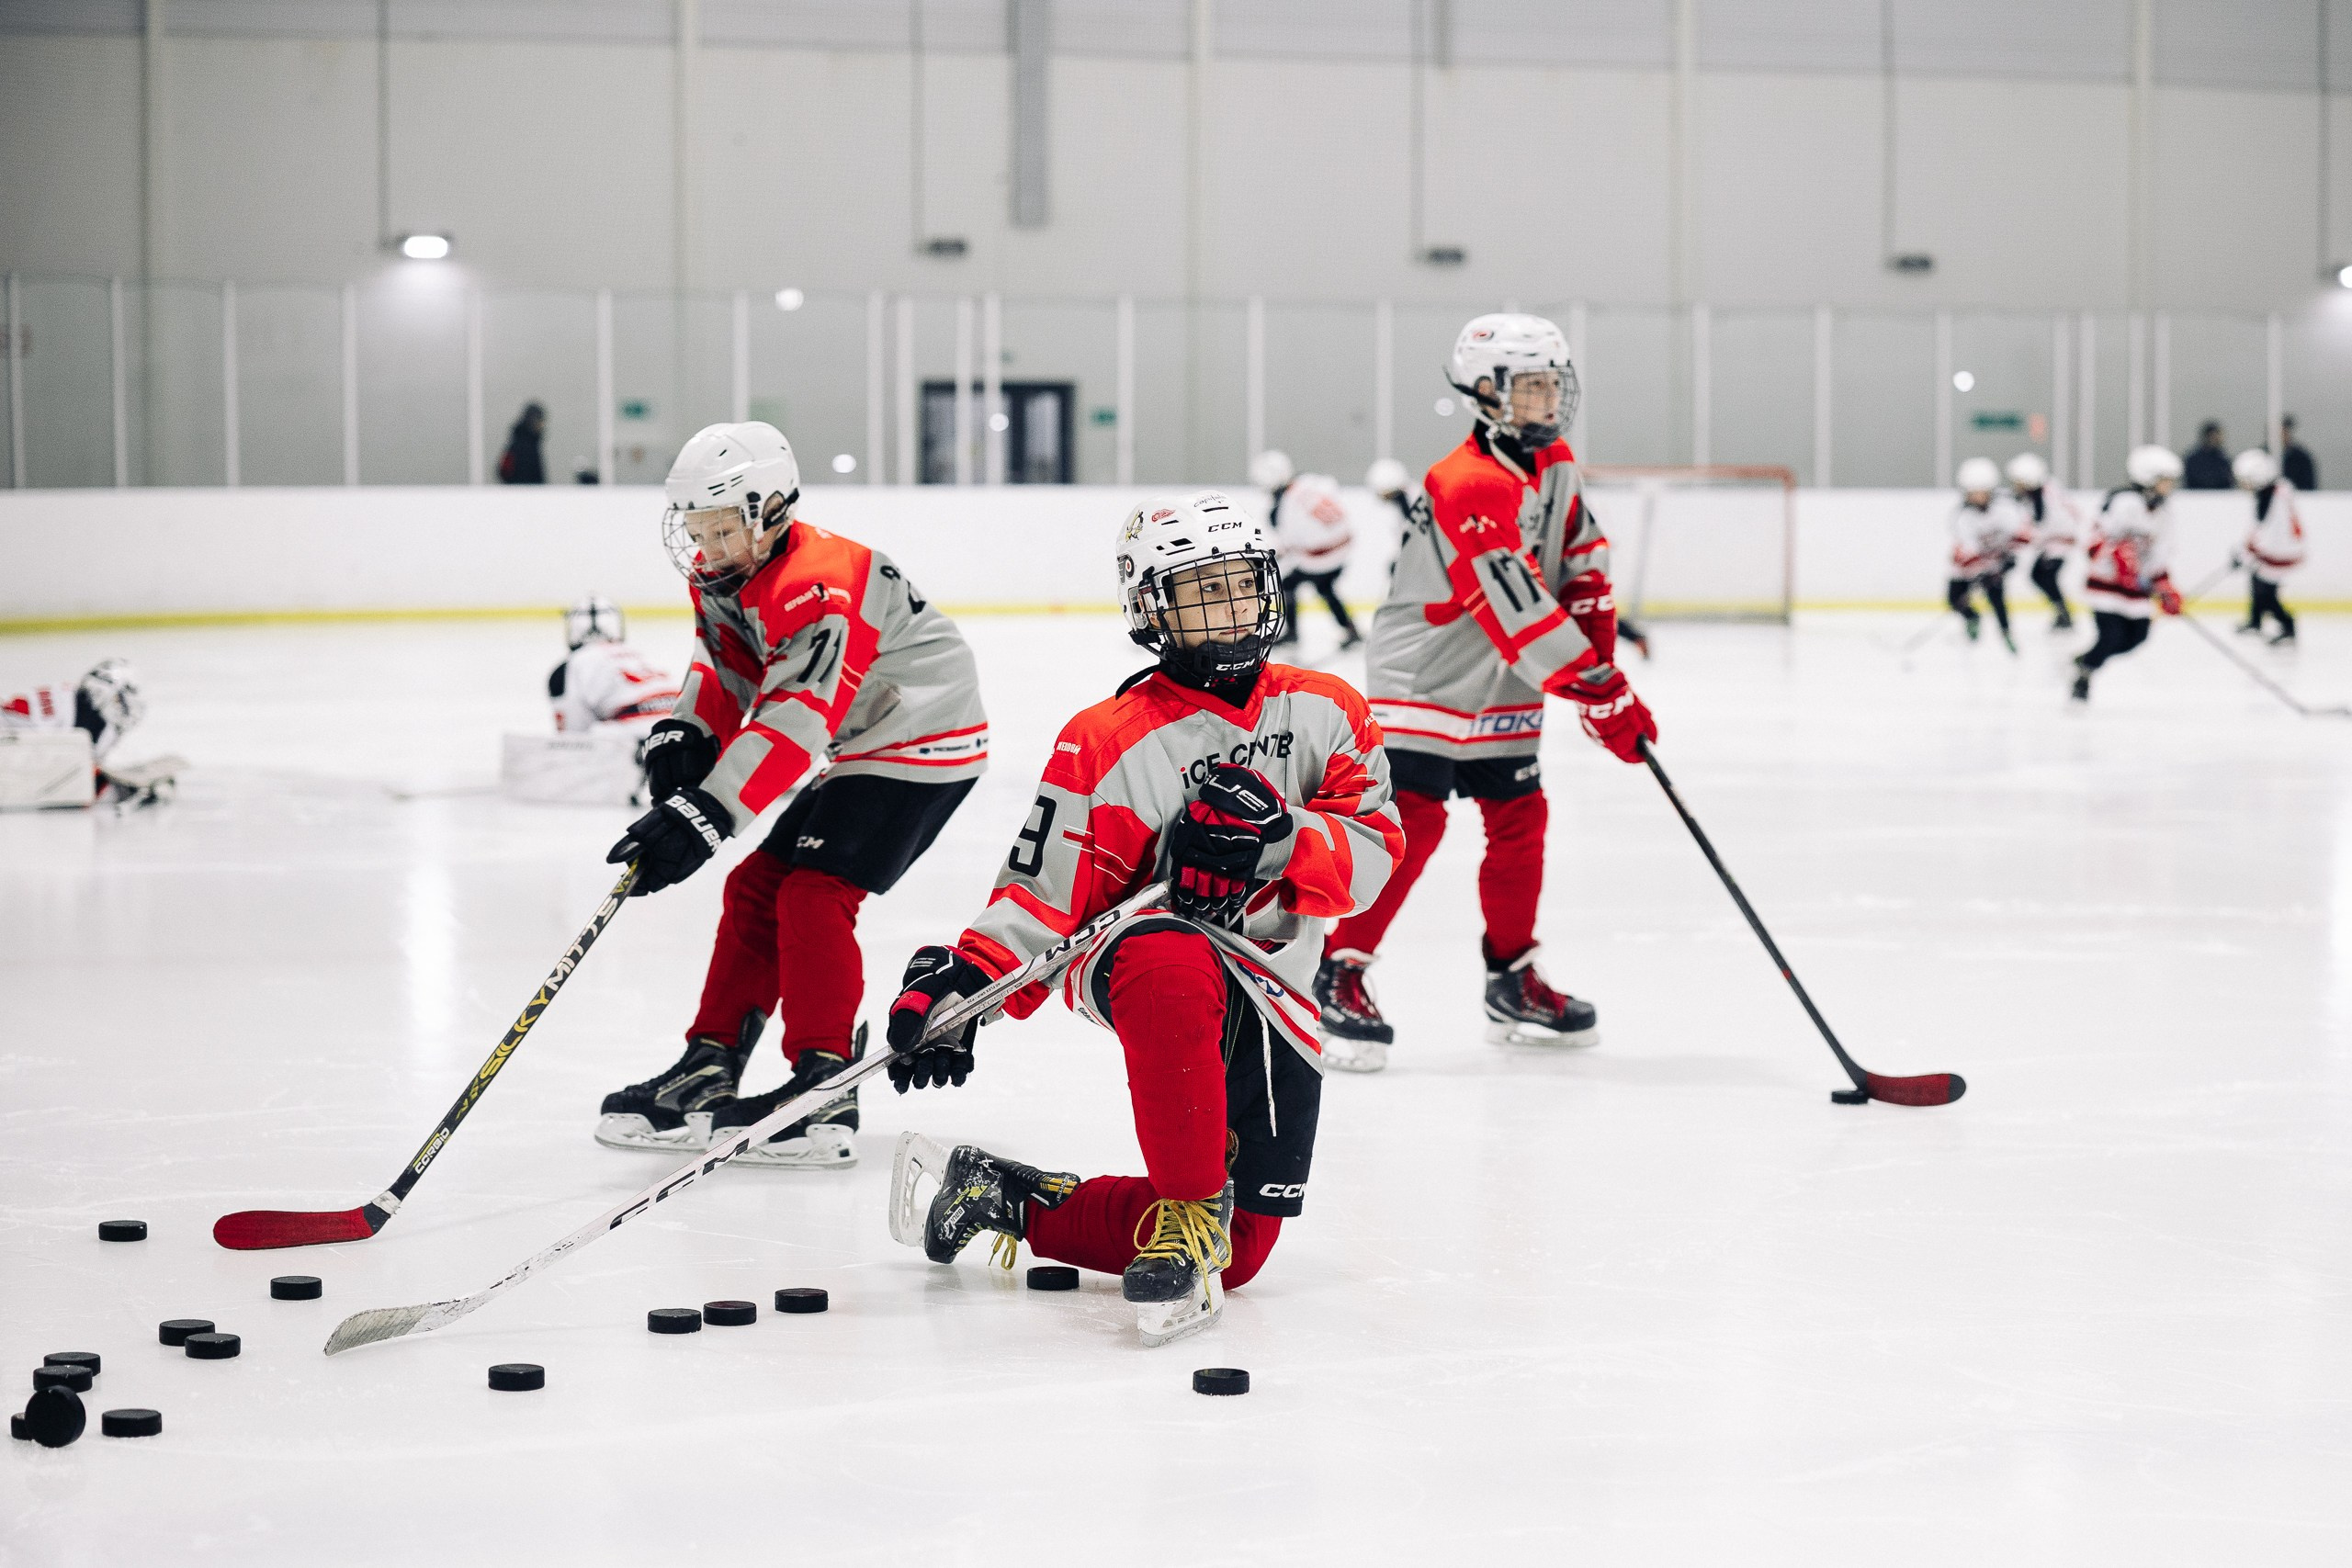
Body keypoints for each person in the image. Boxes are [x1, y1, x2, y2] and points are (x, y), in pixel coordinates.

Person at [880, 489, 1402, 1348]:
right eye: (1202, 590)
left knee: (1240, 1254)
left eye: (1241, 583)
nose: (1230, 607)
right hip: (1144, 961)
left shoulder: (1327, 708)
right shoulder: (1106, 740)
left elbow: (1376, 849)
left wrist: (1278, 840)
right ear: (1152, 609)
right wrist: (968, 983)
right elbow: (1043, 894)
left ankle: (1001, 1193)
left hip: (1274, 978)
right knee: (1167, 950)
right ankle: (1189, 1212)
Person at [593, 422, 988, 1168]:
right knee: (756, 888)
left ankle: (824, 1084)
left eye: (719, 527)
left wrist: (707, 813)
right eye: (696, 528)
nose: (704, 545)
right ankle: (708, 1063)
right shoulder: (729, 571)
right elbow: (729, 665)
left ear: (771, 509)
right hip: (867, 737)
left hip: (925, 736)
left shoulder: (817, 582)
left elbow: (797, 716)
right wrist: (689, 735)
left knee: (813, 893)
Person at [1313, 312, 1657, 1074]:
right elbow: (1514, 603)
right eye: (1532, 384)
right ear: (1486, 391)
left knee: (1520, 815)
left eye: (1551, 382)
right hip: (1425, 666)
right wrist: (1598, 691)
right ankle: (1336, 968)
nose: (1549, 397)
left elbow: (1581, 557)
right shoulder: (1464, 480)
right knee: (1415, 820)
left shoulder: (1554, 460)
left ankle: (1512, 980)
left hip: (1504, 669)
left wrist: (1603, 665)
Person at [2072, 446, 2184, 703]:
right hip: (2106, 585)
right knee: (2110, 636)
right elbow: (2093, 542)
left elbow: (2158, 555)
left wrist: (2165, 586)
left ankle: (2085, 659)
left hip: (2136, 589)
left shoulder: (2164, 513)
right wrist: (2119, 557)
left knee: (2136, 638)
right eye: (2165, 480)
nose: (2170, 486)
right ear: (2148, 479)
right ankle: (2084, 674)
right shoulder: (2122, 502)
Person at [0, 658, 165, 806]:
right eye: (121, 698)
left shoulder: (98, 722)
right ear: (103, 689)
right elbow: (64, 782)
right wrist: (120, 789)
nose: (125, 708)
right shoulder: (61, 706)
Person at [548, 595, 681, 733]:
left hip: (633, 732)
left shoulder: (572, 664)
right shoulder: (640, 654)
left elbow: (574, 735)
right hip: (679, 725)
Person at [1272, 470, 1362, 651]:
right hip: (1340, 550)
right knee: (1325, 588)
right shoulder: (1311, 484)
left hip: (1321, 558)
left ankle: (1292, 634)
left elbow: (1288, 538)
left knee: (1288, 585)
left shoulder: (1288, 502)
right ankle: (1351, 629)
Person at [1947, 457, 2021, 652]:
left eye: (1982, 492)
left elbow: (2018, 535)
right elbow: (1967, 550)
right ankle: (1972, 617)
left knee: (1997, 598)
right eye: (1973, 493)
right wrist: (1979, 572)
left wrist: (2010, 558)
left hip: (1995, 563)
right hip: (1968, 566)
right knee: (1955, 599)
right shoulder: (1962, 517)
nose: (1977, 497)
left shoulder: (2005, 508)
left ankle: (2006, 633)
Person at [2233, 447, 2304, 646]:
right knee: (2256, 581)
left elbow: (2273, 533)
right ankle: (2255, 621)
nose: (2243, 485)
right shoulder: (2269, 492)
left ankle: (2287, 625)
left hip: (2281, 552)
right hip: (2275, 550)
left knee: (2266, 593)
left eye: (2245, 479)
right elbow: (2259, 528)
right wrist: (2244, 551)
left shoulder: (2275, 496)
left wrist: (2249, 554)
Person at [2006, 453, 2080, 630]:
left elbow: (2049, 524)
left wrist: (2021, 541)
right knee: (2040, 577)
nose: (2016, 486)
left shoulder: (2045, 495)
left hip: (2059, 543)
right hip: (2055, 543)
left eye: (2019, 482)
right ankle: (2062, 612)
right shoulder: (2040, 492)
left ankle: (2064, 613)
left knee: (2043, 577)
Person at [498, 403, 548, 485]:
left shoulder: (532, 443)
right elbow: (504, 471)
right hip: (522, 494)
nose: (542, 424)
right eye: (540, 420)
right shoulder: (521, 446)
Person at [2182, 421, 2233, 490]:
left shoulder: (2223, 460)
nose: (2216, 440)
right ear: (2206, 437)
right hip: (2196, 496)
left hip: (2220, 497)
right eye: (2213, 436)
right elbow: (2192, 480)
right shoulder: (2193, 459)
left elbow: (2227, 481)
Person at [2279, 415, 2317, 491]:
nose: (2282, 435)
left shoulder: (2301, 458)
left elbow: (2309, 487)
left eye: (2285, 431)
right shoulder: (2261, 456)